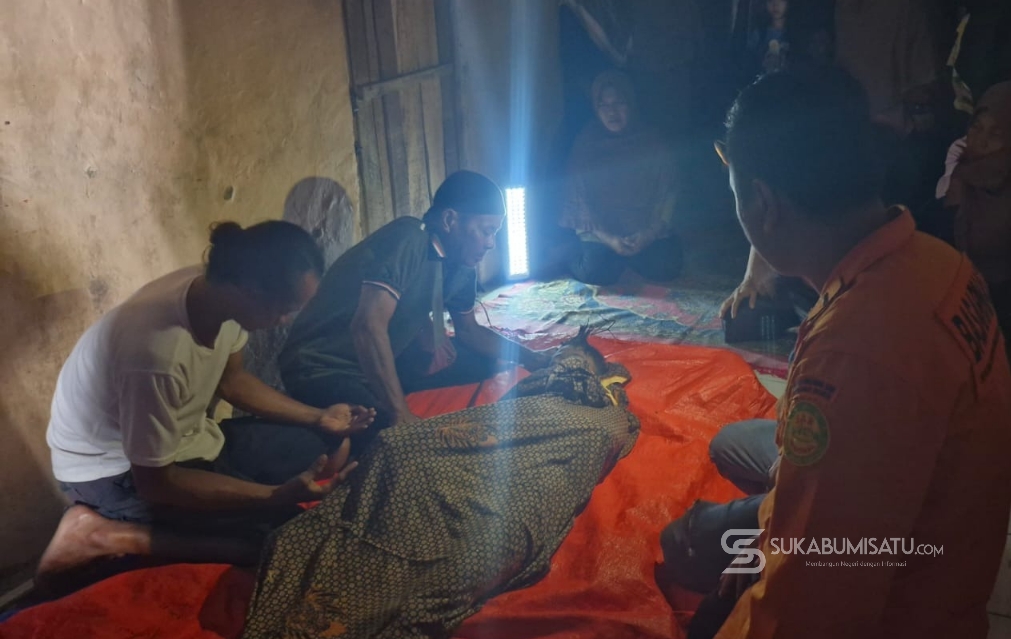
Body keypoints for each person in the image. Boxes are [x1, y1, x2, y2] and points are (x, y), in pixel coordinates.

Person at [662, 68, 1011, 639]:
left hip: (905, 596)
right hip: (928, 528)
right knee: (732, 448)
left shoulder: (855, 354)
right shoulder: (935, 260)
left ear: (763, 203)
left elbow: (809, 608)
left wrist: (757, 579)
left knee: (687, 547)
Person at [39, 221, 375, 579]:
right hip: (112, 473)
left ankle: (235, 500)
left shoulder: (217, 291)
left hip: (183, 441)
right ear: (248, 290)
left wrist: (318, 417)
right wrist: (272, 495)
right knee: (277, 542)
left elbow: (233, 381)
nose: (283, 321)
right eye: (284, 309)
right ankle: (98, 534)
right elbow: (157, 483)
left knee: (329, 447)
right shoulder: (155, 356)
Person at [279, 171, 552, 430]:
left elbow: (469, 330)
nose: (491, 243)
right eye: (486, 231)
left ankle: (388, 386)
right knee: (376, 429)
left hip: (386, 356)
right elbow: (367, 327)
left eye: (495, 233)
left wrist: (533, 357)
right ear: (449, 220)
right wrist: (400, 413)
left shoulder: (462, 264)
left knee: (487, 363)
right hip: (323, 366)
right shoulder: (408, 237)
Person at [559, 70, 684, 286]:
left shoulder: (652, 142)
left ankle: (624, 257)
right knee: (596, 273)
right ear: (595, 108)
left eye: (619, 103)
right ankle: (577, 253)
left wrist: (648, 235)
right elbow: (578, 200)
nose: (612, 112)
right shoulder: (586, 146)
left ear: (631, 104)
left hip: (645, 228)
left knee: (667, 267)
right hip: (600, 231)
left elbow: (669, 192)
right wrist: (610, 239)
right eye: (603, 105)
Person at [945, 80, 1011, 358]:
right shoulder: (958, 176)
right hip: (964, 312)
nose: (980, 141)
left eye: (995, 134)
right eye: (976, 127)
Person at [746, 0, 790, 76]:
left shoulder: (795, 34)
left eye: (781, 0)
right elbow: (749, 60)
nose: (775, 5)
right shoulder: (759, 34)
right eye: (770, 0)